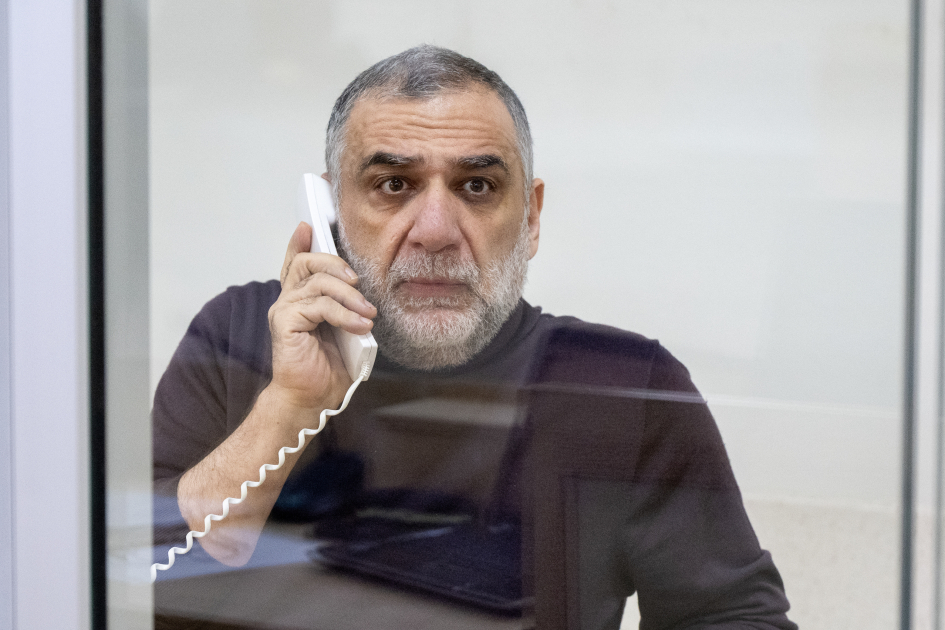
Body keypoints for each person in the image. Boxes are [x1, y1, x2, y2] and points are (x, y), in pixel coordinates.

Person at [153, 45, 796, 629]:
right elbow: (134, 581)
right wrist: (287, 406)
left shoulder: (623, 384)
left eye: (477, 186)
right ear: (329, 213)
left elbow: (736, 618)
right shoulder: (238, 335)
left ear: (531, 218)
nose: (435, 230)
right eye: (394, 185)